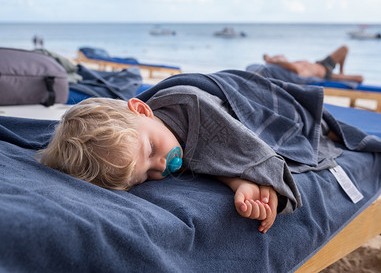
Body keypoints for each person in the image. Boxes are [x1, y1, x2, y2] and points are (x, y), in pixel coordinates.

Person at [39, 95, 280, 234]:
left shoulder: (191, 106)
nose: (161, 166)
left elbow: (250, 149)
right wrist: (239, 182)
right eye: (146, 175)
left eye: (151, 150)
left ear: (143, 110)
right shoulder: (154, 135)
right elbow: (203, 160)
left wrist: (262, 175)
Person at [263, 45, 364, 83]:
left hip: (322, 64)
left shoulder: (293, 63)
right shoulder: (293, 68)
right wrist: (272, 61)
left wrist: (268, 58)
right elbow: (290, 66)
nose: (281, 56)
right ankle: (341, 76)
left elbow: (266, 56)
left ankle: (342, 72)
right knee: (360, 78)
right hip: (326, 75)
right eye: (278, 57)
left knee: (344, 49)